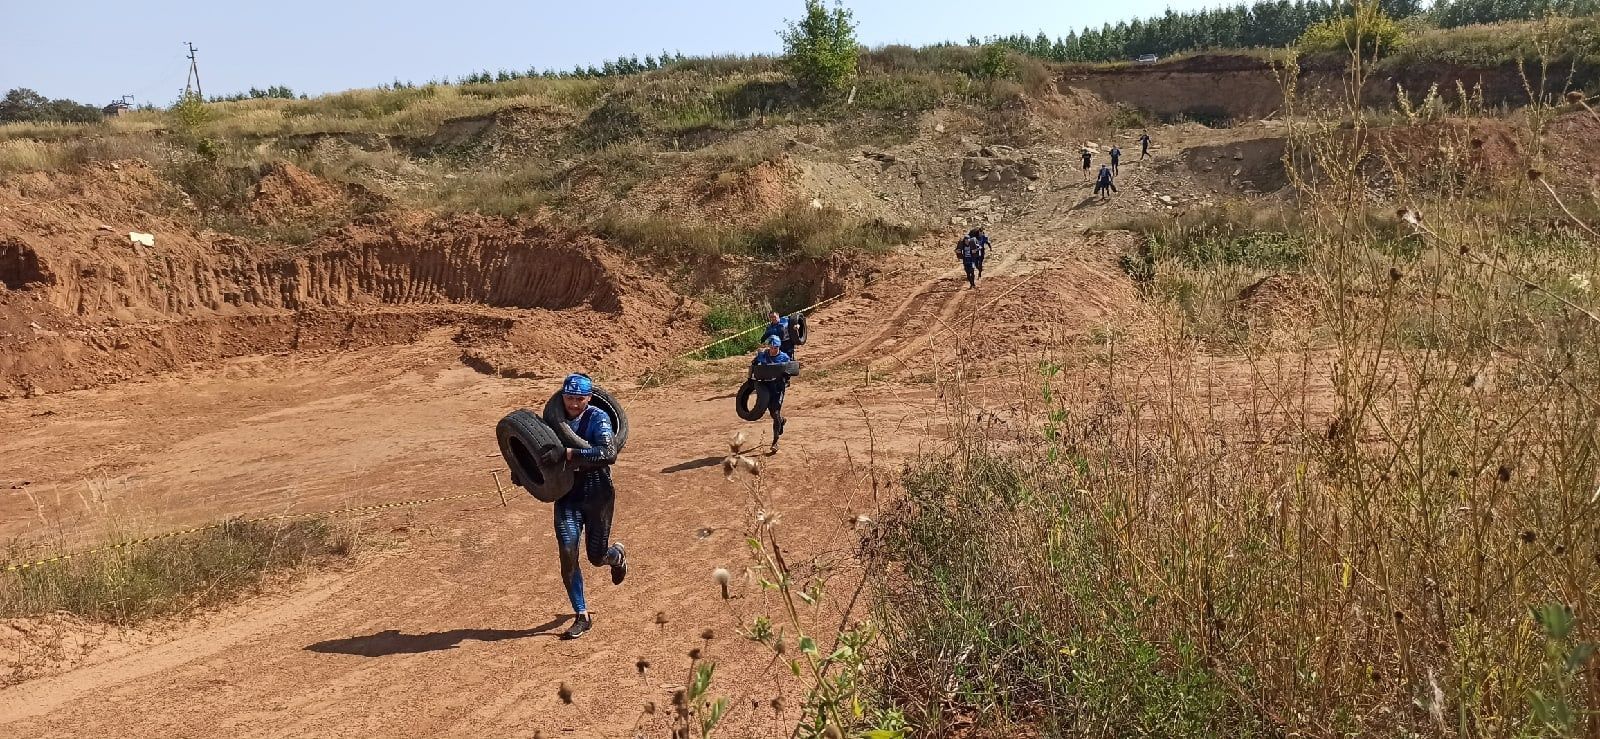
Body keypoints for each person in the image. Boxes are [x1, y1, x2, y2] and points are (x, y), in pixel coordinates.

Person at [541, 373, 625, 640]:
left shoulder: (597, 417)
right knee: (567, 551)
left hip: (598, 493)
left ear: (589, 398)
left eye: (579, 399)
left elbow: (608, 453)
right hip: (566, 494)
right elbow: (535, 449)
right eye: (569, 398)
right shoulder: (553, 419)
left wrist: (569, 454)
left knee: (596, 556)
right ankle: (581, 614)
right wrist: (524, 472)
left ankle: (617, 556)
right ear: (562, 396)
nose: (573, 404)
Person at [750, 336, 793, 453]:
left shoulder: (784, 357)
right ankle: (781, 420)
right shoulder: (763, 355)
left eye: (775, 347)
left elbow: (791, 372)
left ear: (778, 347)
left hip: (778, 389)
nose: (772, 349)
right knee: (774, 414)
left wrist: (786, 375)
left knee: (775, 412)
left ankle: (775, 442)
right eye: (771, 347)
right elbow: (753, 367)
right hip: (766, 388)